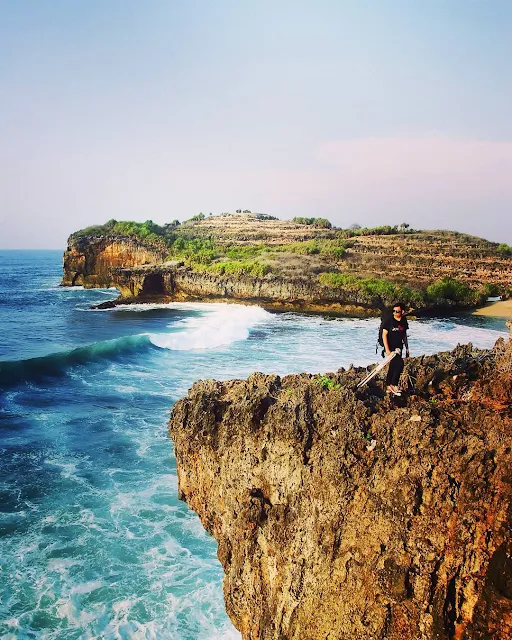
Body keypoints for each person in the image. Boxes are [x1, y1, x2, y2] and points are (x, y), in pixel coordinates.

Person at [381, 302, 409, 396]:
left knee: (393, 365)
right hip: (390, 347)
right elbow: (384, 335)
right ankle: (394, 384)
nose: (395, 313)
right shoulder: (389, 321)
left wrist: (407, 348)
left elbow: (404, 335)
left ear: (402, 311)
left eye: (397, 311)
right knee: (399, 363)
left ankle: (389, 386)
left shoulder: (404, 321)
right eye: (394, 311)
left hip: (399, 347)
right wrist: (387, 349)